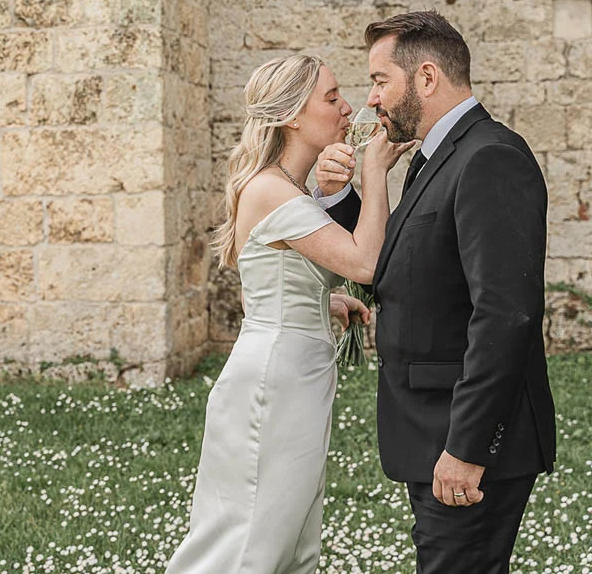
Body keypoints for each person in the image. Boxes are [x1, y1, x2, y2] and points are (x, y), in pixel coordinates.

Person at [316, 11, 557, 574]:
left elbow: (506, 314)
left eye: (380, 81)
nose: (371, 100)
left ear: (425, 78)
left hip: (466, 442)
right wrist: (339, 197)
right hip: (431, 430)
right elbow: (403, 260)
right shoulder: (432, 158)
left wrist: (468, 448)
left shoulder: (489, 157)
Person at [166, 53, 411, 573]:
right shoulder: (271, 190)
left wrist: (328, 302)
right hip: (273, 384)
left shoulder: (289, 188)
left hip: (298, 375)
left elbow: (279, 277)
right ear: (293, 116)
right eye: (331, 98)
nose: (348, 109)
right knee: (250, 538)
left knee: (291, 535)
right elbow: (366, 262)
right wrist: (373, 174)